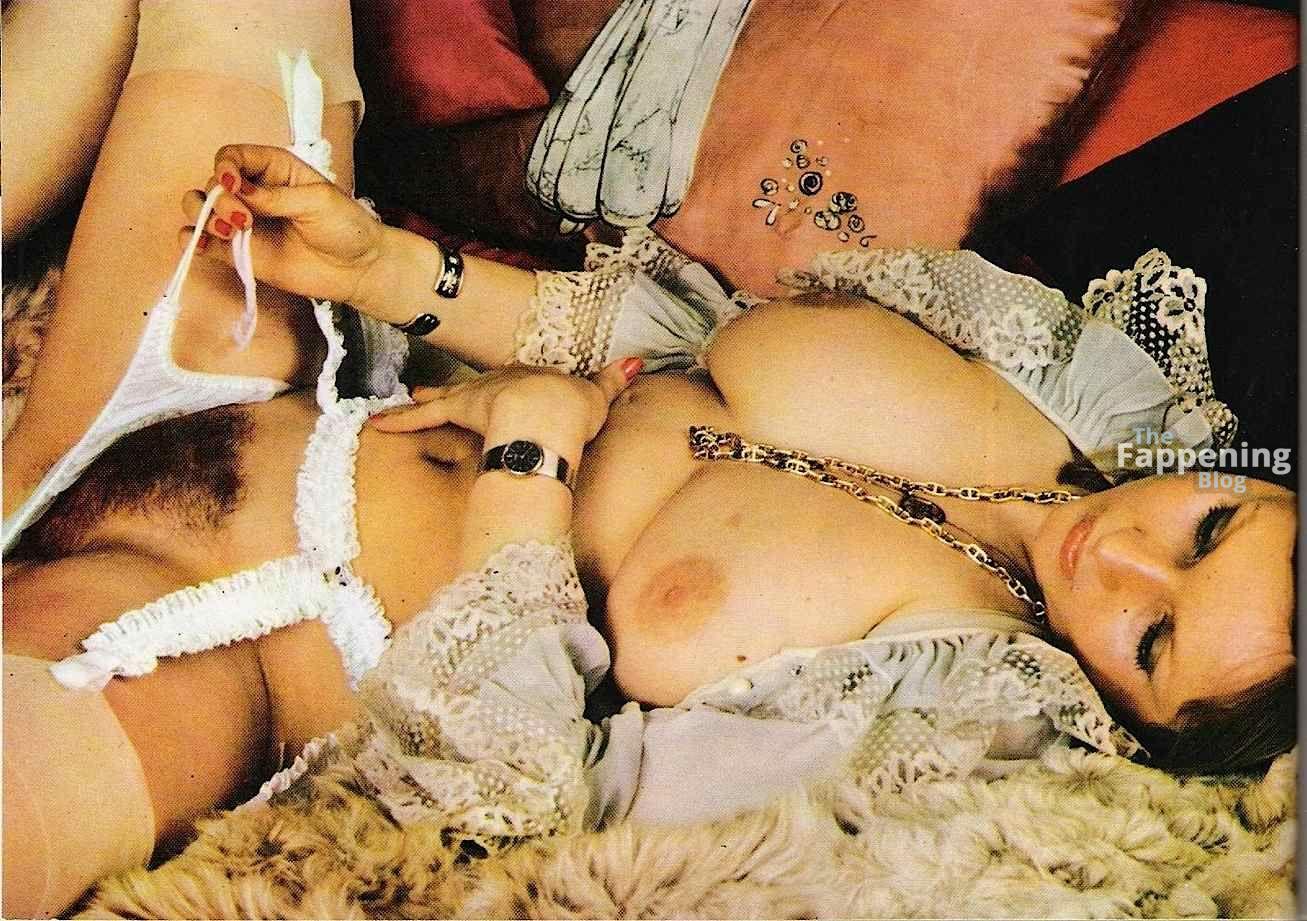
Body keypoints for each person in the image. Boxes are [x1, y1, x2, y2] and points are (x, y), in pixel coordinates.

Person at [1, 2, 1294, 916]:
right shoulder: (1082, 388)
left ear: (1149, 730)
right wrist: (390, 269)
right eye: (1210, 530)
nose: (1122, 559)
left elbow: (518, 806)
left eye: (1153, 639)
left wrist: (526, 467)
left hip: (239, 629)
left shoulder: (948, 722)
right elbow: (676, 336)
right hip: (246, 381)